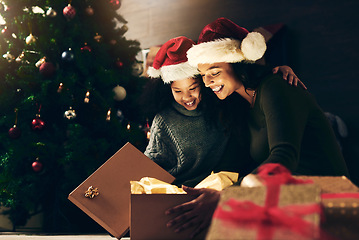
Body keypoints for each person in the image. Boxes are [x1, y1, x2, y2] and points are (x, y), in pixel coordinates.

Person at [166, 17, 350, 237]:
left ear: (239, 65)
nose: (207, 83)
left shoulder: (276, 88)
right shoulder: (241, 104)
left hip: (326, 196)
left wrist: (226, 197)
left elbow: (283, 156)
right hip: (288, 195)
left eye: (214, 73)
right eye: (204, 76)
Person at [141, 36, 302, 188]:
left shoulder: (226, 105)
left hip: (224, 187)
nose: (187, 97)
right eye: (178, 91)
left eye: (193, 88)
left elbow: (281, 155)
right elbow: (150, 165)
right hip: (182, 191)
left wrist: (275, 73)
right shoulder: (165, 119)